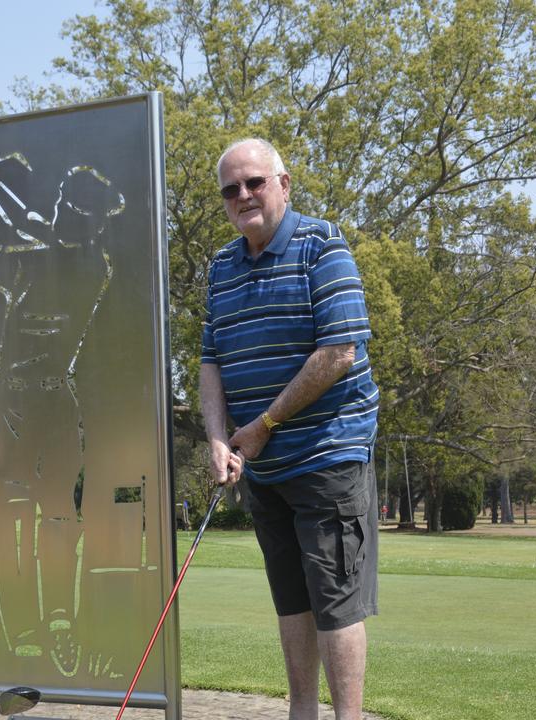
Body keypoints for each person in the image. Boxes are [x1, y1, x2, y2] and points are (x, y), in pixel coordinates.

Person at [200, 139, 380, 720]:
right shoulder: (221, 267)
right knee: (291, 604)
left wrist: (264, 424)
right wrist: (216, 437)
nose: (243, 196)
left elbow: (338, 353)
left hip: (327, 455)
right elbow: (210, 363)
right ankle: (301, 711)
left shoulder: (321, 244)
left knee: (335, 604)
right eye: (231, 189)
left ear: (284, 183)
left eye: (254, 182)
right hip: (266, 468)